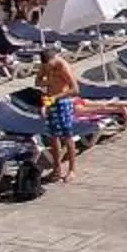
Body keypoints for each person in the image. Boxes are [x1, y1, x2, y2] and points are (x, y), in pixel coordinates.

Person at [35, 50, 84, 181]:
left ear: (54, 59)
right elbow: (37, 82)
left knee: (67, 136)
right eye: (46, 66)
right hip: (49, 101)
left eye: (50, 65)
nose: (48, 68)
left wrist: (55, 97)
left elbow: (75, 89)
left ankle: (72, 170)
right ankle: (56, 169)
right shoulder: (44, 66)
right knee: (52, 136)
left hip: (62, 101)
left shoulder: (63, 67)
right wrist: (48, 82)